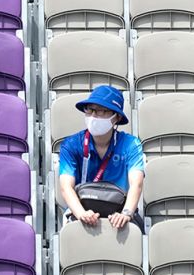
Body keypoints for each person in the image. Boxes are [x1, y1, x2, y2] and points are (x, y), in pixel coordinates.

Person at [57, 85, 146, 232]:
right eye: (90, 110)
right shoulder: (71, 144)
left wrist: (126, 214)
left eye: (101, 111)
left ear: (116, 117)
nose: (93, 116)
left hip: (120, 209)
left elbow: (136, 184)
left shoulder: (131, 144)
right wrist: (81, 214)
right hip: (82, 209)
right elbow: (66, 187)